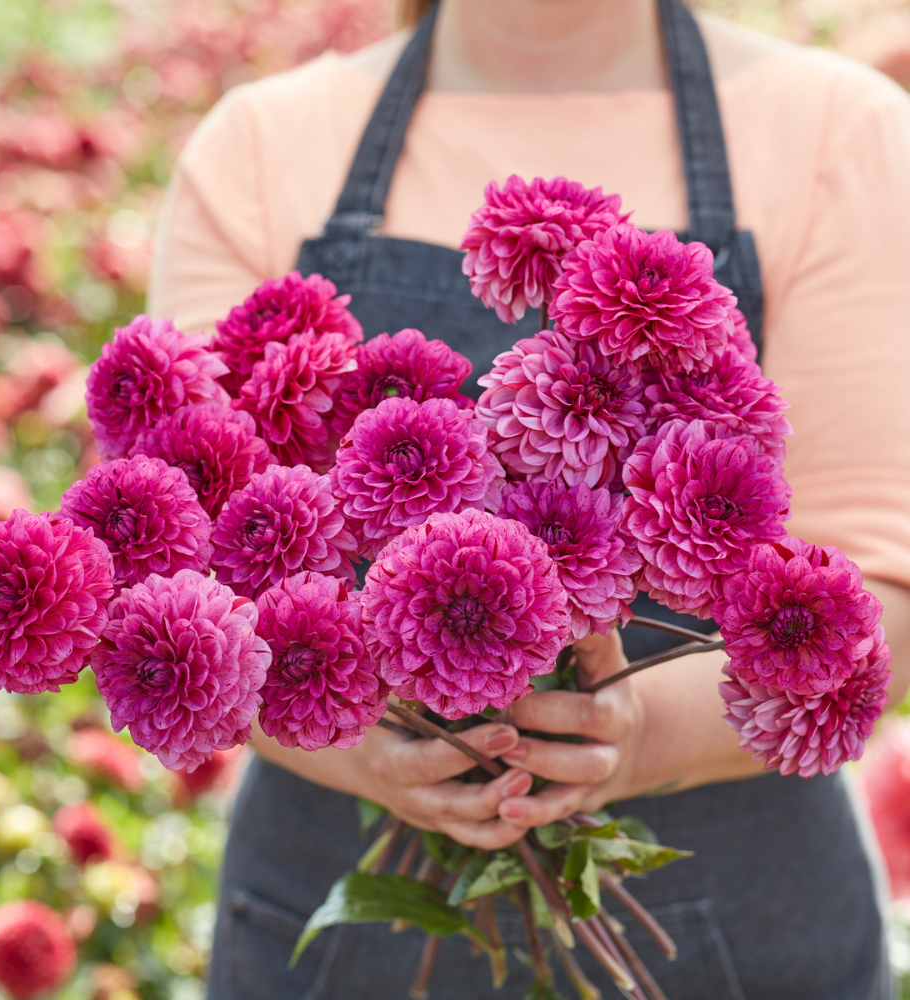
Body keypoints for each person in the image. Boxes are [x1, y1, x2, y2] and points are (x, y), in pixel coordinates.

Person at [148, 0, 910, 996]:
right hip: (340, 920)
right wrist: (363, 745)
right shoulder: (258, 143)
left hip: (733, 927)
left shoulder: (836, 129)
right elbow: (170, 584)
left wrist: (632, 731)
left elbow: (878, 585)